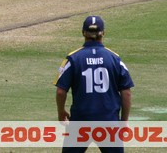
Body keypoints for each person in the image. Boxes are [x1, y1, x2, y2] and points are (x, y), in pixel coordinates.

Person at [55, 15, 133, 153]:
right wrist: (124, 120)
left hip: (80, 121)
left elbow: (61, 91)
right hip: (109, 121)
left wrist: (61, 111)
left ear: (83, 32)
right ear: (103, 33)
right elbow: (126, 92)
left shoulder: (73, 58)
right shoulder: (114, 58)